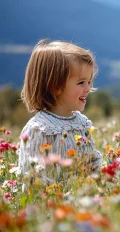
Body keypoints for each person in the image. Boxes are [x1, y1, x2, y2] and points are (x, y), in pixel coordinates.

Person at [18, 39, 103, 184]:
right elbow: (30, 176)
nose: (88, 89)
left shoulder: (82, 123)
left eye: (89, 82)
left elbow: (93, 158)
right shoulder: (39, 129)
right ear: (55, 87)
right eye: (81, 82)